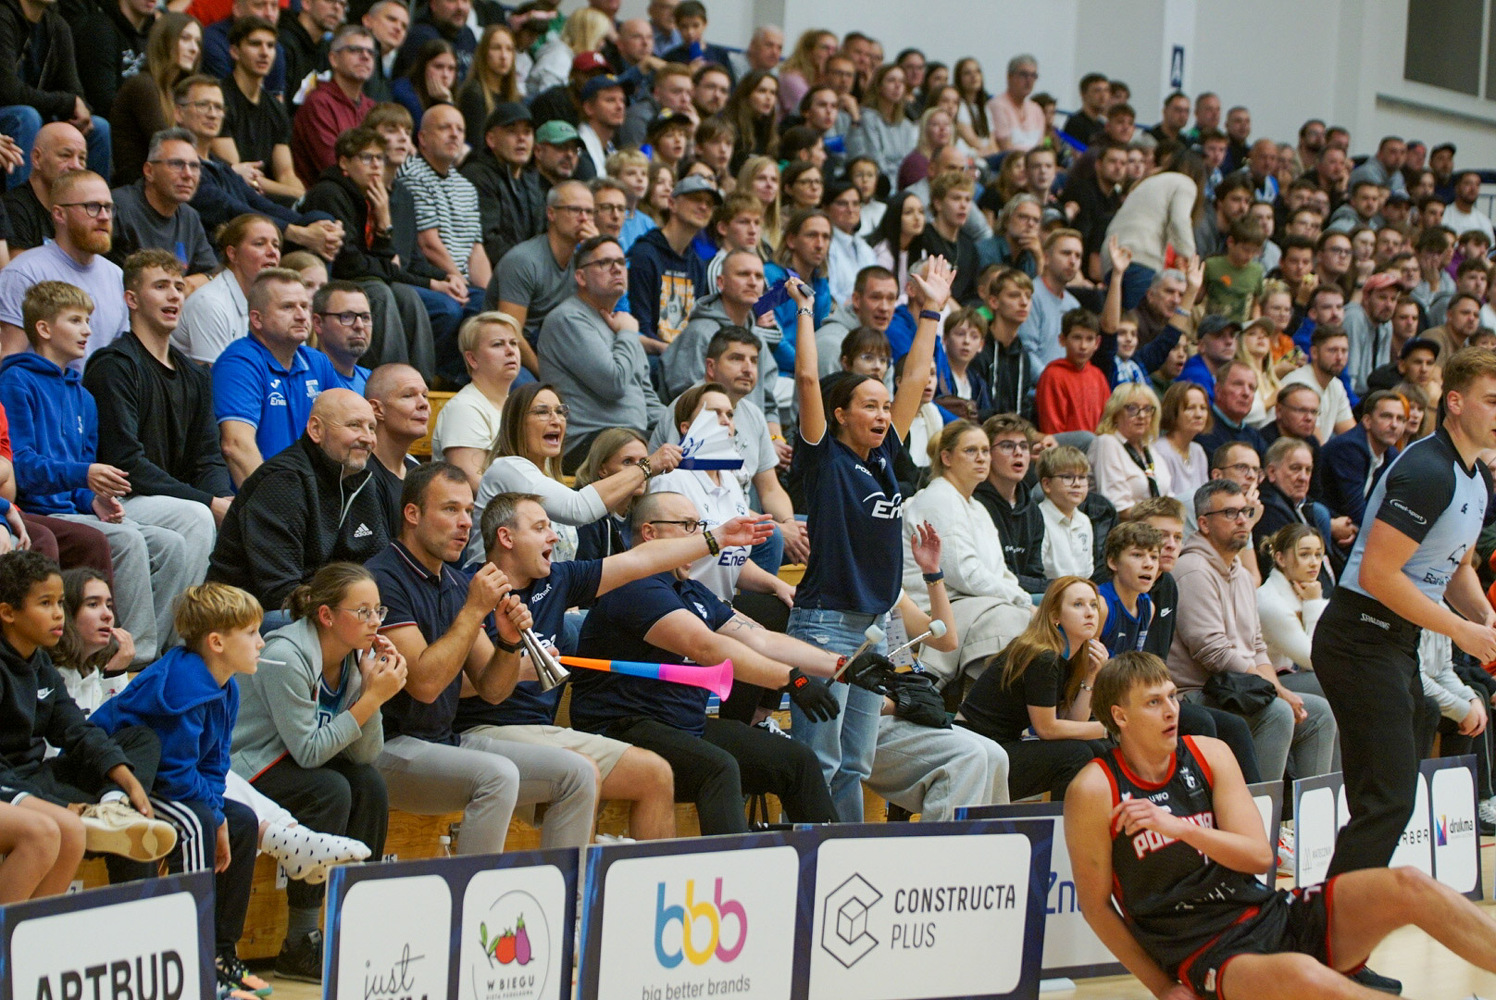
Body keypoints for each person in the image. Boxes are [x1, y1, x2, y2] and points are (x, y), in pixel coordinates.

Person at [1068, 650, 1496, 1000]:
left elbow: (1259, 856)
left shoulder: (1208, 753)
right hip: (1205, 949)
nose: (1170, 711)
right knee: (1306, 977)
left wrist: (1181, 828)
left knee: (1409, 884)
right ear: (1120, 716)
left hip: (1268, 912)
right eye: (1153, 703)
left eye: (1172, 697)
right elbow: (1096, 907)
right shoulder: (1095, 789)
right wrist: (1163, 988)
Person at [1312, 346, 1496, 877]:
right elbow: (1378, 575)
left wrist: (1483, 617)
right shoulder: (1427, 470)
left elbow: (1454, 566)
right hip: (1358, 636)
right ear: (1455, 402)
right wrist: (1459, 630)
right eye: (1492, 400)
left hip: (1397, 642)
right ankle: (1333, 922)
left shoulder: (1476, 478)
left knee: (1392, 790)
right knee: (1388, 802)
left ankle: (1349, 913)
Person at [784, 254, 952, 823]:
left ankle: (849, 854)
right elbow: (808, 380)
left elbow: (915, 379)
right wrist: (805, 312)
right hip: (825, 623)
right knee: (821, 760)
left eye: (886, 407)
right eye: (869, 406)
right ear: (839, 415)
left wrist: (931, 311)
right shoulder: (824, 458)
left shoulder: (884, 460)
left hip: (873, 627)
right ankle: (811, 858)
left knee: (855, 763)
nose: (883, 414)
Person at [569, 489, 843, 834]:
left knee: (797, 761)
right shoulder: (633, 587)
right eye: (687, 526)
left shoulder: (691, 590)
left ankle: (825, 861)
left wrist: (844, 667)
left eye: (699, 526)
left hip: (683, 726)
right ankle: (730, 866)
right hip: (622, 729)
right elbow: (707, 647)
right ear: (650, 532)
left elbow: (762, 639)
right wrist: (793, 680)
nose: (699, 536)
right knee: (718, 767)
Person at [366, 462, 597, 855]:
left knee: (577, 774)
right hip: (389, 746)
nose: (464, 523)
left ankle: (565, 892)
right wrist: (474, 611)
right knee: (497, 776)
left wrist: (508, 642)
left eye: (469, 511)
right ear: (412, 514)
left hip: (444, 742)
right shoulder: (381, 579)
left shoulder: (455, 583)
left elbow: (493, 690)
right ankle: (473, 892)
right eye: (450, 509)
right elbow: (424, 684)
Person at [4, 279, 209, 665]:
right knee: (127, 540)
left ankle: (159, 651)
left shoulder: (83, 396)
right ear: (44, 328)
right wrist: (83, 477)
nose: (87, 330)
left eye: (88, 321)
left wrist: (94, 500)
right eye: (75, 321)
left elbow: (81, 480)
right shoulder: (16, 381)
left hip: (72, 510)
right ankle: (131, 660)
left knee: (171, 545)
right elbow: (21, 467)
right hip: (36, 509)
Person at [87, 582, 265, 995]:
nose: (261, 642)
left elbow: (214, 763)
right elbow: (176, 773)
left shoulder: (226, 684)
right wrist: (212, 817)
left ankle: (219, 953)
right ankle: (189, 964)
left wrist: (221, 815)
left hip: (162, 781)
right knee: (197, 822)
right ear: (217, 642)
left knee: (242, 820)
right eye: (252, 633)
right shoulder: (183, 685)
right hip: (118, 781)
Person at [234, 563, 402, 981]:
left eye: (378, 611)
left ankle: (358, 924)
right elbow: (309, 753)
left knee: (369, 785)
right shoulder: (284, 656)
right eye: (362, 611)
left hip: (294, 760)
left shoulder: (353, 658)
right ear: (326, 615)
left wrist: (370, 692)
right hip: (247, 766)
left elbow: (365, 755)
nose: (375, 621)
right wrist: (371, 699)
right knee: (329, 790)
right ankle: (300, 941)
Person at [0, 551, 175, 878]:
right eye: (45, 603)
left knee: (139, 741)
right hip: (10, 787)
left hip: (38, 776)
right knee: (83, 830)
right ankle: (107, 820)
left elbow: (77, 730)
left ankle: (114, 809)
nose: (58, 614)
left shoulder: (39, 663)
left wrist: (127, 784)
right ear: (8, 613)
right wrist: (67, 808)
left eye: (60, 603)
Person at [1168, 479, 1337, 784]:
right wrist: (1276, 692)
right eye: (1230, 513)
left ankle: (1309, 810)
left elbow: (1257, 647)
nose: (1242, 520)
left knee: (1320, 714)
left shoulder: (1244, 576)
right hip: (1197, 692)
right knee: (1278, 712)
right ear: (1204, 523)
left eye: (1245, 512)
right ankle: (1260, 809)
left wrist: (1276, 689)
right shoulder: (1192, 570)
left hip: (1241, 688)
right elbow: (1213, 652)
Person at [84, 252, 232, 552]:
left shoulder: (195, 374)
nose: (174, 295)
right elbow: (125, 463)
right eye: (161, 286)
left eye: (179, 287)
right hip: (120, 499)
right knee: (197, 515)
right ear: (132, 299)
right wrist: (207, 502)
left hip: (178, 499)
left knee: (239, 514)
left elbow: (208, 457)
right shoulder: (114, 365)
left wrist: (223, 499)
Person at [208, 388, 390, 612]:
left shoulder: (363, 481)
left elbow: (378, 570)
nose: (367, 438)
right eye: (354, 425)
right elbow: (281, 593)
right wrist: (348, 615)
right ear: (316, 430)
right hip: (244, 618)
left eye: (372, 428)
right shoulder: (282, 482)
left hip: (328, 612)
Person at [470, 380, 678, 568]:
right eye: (542, 412)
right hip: (491, 589)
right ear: (516, 424)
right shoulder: (507, 469)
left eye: (560, 412)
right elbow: (577, 509)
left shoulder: (548, 479)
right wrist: (647, 466)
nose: (556, 420)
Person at [899, 420, 1032, 686]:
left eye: (985, 450)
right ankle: (978, 703)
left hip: (971, 601)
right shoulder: (939, 498)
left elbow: (1000, 571)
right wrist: (1023, 602)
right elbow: (963, 573)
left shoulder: (977, 506)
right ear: (946, 458)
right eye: (971, 451)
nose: (981, 458)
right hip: (932, 606)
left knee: (1056, 612)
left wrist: (1022, 599)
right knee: (1012, 618)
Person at [955, 575, 1108, 799]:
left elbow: (1074, 724)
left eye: (1093, 605)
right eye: (1078, 605)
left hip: (1000, 745)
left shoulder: (1068, 657)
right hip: (975, 749)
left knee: (1098, 749)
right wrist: (1108, 728)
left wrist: (1092, 675)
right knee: (1077, 755)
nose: (1090, 613)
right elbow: (1047, 729)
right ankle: (1064, 821)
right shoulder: (1043, 656)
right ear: (1055, 616)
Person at [539, 235, 667, 470]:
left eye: (621, 262)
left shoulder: (622, 324)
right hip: (588, 444)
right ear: (581, 276)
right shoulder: (568, 319)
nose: (616, 268)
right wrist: (628, 333)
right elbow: (613, 383)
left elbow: (647, 399)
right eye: (604, 263)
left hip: (630, 439)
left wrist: (680, 424)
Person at [212, 267, 340, 485]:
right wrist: (274, 501)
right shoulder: (239, 363)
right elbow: (236, 446)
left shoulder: (317, 362)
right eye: (287, 307)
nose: (301, 316)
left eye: (304, 306)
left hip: (310, 493)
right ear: (257, 319)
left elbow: (345, 427)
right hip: (266, 496)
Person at [0, 171, 127, 360]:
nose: (104, 216)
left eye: (108, 208)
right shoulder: (24, 273)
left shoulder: (117, 276)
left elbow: (117, 357)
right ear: (59, 214)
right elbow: (9, 358)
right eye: (92, 207)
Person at [486, 178, 596, 375]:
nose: (584, 218)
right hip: (511, 355)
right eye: (575, 210)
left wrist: (597, 252)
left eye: (589, 212)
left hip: (554, 350)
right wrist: (546, 376)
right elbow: (509, 331)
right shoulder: (524, 261)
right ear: (551, 213)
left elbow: (605, 312)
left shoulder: (584, 263)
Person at [1104, 146, 1206, 311]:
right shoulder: (1185, 182)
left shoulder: (1149, 181)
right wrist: (1190, 260)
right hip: (1141, 259)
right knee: (1139, 322)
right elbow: (1179, 221)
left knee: (1119, 321)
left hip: (1112, 258)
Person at [173, 213, 280, 365]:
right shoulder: (210, 304)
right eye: (259, 244)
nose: (272, 252)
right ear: (233, 254)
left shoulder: (269, 302)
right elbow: (215, 377)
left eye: (276, 245)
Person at [432, 312, 522, 492]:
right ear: (472, 359)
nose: (510, 350)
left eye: (513, 343)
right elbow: (472, 482)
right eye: (498, 344)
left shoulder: (515, 407)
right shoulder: (464, 408)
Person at [215, 16, 303, 202]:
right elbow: (239, 175)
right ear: (235, 51)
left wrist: (300, 194)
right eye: (255, 44)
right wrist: (293, 192)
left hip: (265, 197)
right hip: (233, 198)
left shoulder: (276, 108)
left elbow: (286, 174)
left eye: (270, 46)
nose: (264, 53)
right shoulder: (218, 98)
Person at [627, 174, 716, 354]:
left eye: (709, 203)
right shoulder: (644, 255)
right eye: (696, 199)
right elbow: (640, 324)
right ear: (672, 203)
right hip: (647, 355)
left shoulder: (697, 264)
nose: (704, 206)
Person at [291, 24, 379, 188]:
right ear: (333, 59)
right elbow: (332, 165)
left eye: (370, 52)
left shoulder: (372, 107)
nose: (365, 57)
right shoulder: (319, 103)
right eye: (355, 50)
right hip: (328, 196)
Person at [461, 101, 544, 270]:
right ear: (491, 139)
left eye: (527, 132)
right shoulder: (477, 175)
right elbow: (488, 240)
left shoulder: (531, 179)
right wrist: (531, 267)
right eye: (512, 131)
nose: (522, 139)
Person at [1319, 390, 1406, 526]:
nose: (1394, 425)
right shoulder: (1349, 448)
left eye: (1400, 419)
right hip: (1325, 523)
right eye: (1387, 416)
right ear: (1367, 421)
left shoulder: (1391, 454)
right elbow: (1354, 510)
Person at [1089, 383, 1173, 514]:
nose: (1142, 415)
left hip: (1156, 523)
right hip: (1126, 525)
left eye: (1147, 409)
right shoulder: (1107, 443)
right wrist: (1159, 517)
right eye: (1132, 408)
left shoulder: (1149, 448)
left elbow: (1169, 496)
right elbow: (1118, 507)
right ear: (1115, 413)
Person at [1279, 325, 1357, 446]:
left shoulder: (1336, 385)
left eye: (1344, 351)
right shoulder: (1299, 385)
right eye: (1332, 350)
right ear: (1314, 353)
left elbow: (1352, 435)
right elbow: (1316, 443)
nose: (1339, 357)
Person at [1035, 308, 1109, 435]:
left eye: (1089, 339)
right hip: (1065, 446)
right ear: (1062, 340)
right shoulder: (1053, 375)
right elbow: (1052, 429)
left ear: (1097, 343)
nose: (1083, 346)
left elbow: (1107, 421)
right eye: (1077, 338)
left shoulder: (1098, 376)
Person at [1154, 381, 1211, 500]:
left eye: (1203, 408)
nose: (1199, 414)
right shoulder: (1160, 451)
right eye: (1190, 408)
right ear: (1172, 412)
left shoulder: (1198, 450)